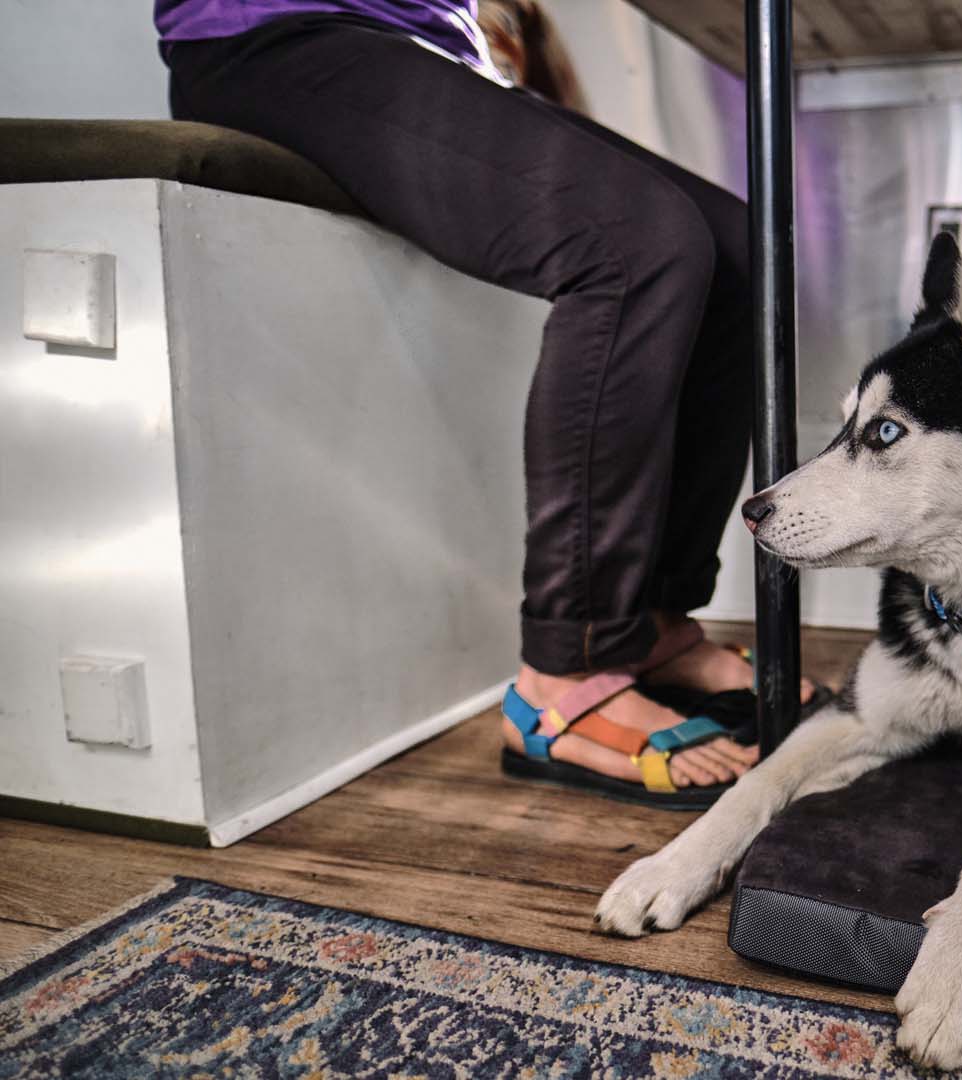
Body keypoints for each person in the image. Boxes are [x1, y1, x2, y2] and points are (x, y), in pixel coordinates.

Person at [155, 0, 803, 806]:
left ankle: (650, 626)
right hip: (273, 41)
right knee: (635, 246)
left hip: (434, 52)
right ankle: (565, 671)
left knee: (738, 248)